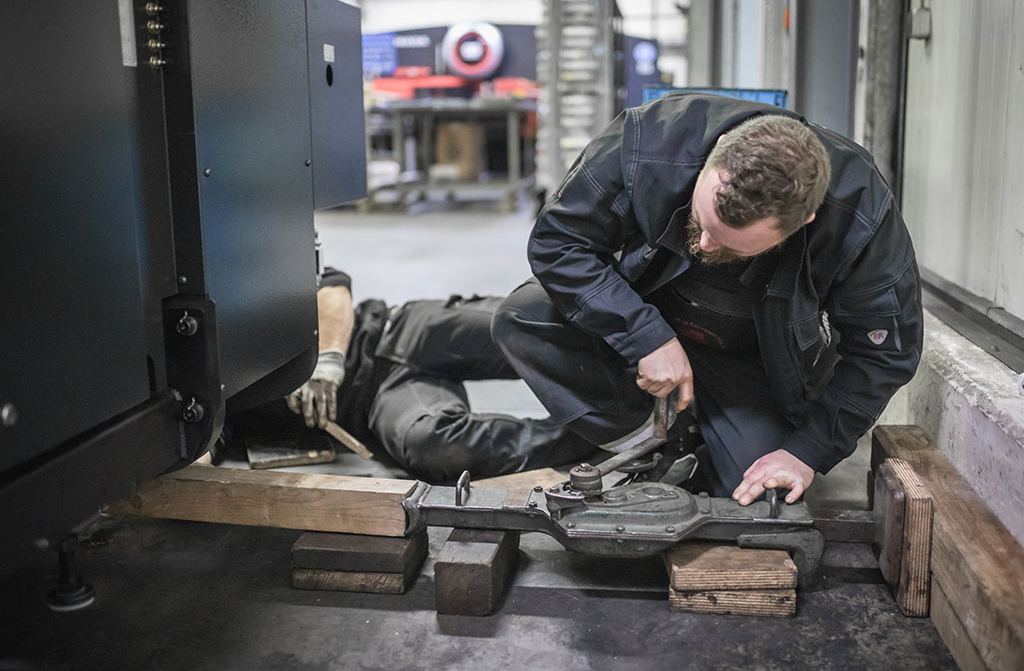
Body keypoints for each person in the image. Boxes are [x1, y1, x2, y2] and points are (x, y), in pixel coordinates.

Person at [490, 92, 924, 505]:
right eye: (704, 224)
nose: (708, 248)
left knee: (756, 502)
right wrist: (645, 336)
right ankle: (663, 443)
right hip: (649, 320)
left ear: (803, 221)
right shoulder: (649, 142)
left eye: (734, 244)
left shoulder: (861, 216)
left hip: (756, 363)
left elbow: (884, 353)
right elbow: (558, 243)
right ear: (715, 155)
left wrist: (807, 452)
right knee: (523, 318)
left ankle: (693, 440)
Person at [226, 268, 592, 483]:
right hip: (384, 402)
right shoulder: (197, 398)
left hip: (399, 329)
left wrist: (328, 359)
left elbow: (333, 287)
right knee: (436, 448)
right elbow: (196, 457)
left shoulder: (235, 289)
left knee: (526, 328)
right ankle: (603, 432)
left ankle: (639, 363)